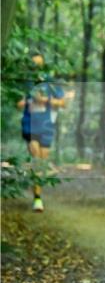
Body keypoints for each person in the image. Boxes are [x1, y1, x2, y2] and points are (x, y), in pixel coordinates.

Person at [18, 53, 67, 212]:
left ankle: (37, 190)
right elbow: (18, 102)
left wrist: (45, 100)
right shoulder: (24, 82)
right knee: (36, 159)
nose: (36, 67)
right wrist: (26, 101)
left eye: (39, 64)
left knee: (42, 162)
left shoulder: (51, 83)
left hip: (46, 126)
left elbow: (63, 103)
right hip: (30, 125)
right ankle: (37, 198)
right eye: (33, 64)